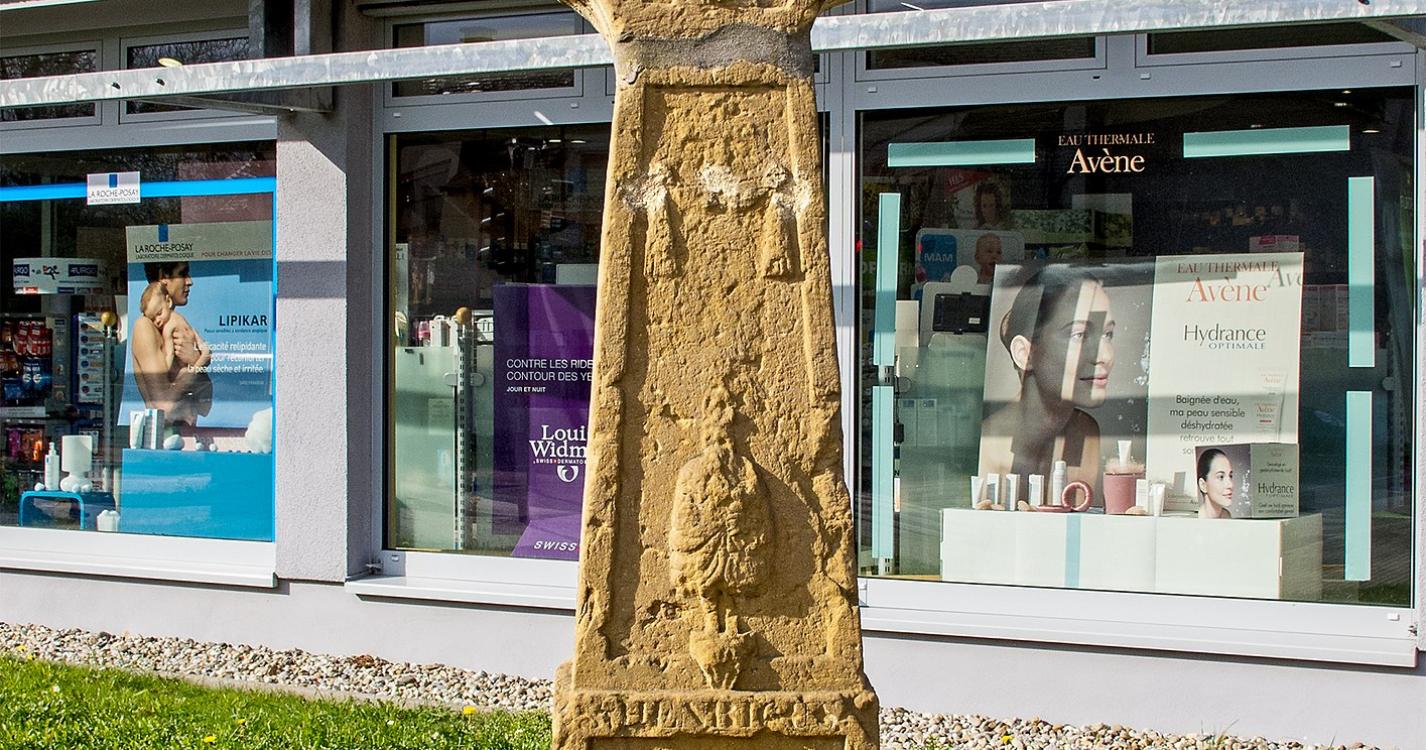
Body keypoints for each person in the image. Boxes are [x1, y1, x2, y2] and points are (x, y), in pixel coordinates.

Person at [977, 265, 1115, 496]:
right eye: (1079, 335)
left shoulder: (1085, 433)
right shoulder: (989, 445)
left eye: (1107, 334)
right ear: (1025, 353)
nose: (1106, 356)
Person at [132, 261, 212, 426]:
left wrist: (194, 360)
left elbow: (205, 407)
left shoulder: (177, 328)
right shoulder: (145, 327)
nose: (189, 281)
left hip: (186, 433)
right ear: (163, 277)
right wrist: (200, 362)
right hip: (164, 433)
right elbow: (164, 406)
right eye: (182, 273)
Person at [1196, 448, 1235, 519]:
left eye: (1230, 476)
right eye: (1221, 477)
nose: (1230, 485)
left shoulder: (1227, 516)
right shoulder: (1195, 520)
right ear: (1203, 485)